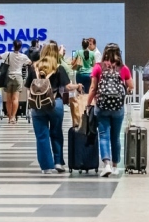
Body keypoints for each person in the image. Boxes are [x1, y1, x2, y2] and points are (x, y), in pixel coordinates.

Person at [25, 42, 79, 173]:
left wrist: (30, 103)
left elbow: (27, 87)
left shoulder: (34, 67)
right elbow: (67, 87)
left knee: (41, 136)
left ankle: (46, 166)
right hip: (55, 103)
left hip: (37, 105)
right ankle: (58, 162)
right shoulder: (58, 67)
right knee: (56, 133)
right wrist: (77, 86)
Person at [87, 43, 134, 177]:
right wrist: (124, 90)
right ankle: (115, 166)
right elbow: (131, 86)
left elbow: (93, 88)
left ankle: (106, 164)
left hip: (101, 107)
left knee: (103, 135)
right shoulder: (123, 68)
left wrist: (88, 104)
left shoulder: (98, 67)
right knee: (116, 137)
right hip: (118, 107)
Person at [0, 40, 31, 124]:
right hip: (18, 78)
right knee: (15, 99)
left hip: (8, 77)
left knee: (8, 99)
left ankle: (9, 116)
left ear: (13, 46)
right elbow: (29, 62)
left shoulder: (8, 54)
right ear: (20, 47)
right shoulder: (23, 56)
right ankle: (13, 117)